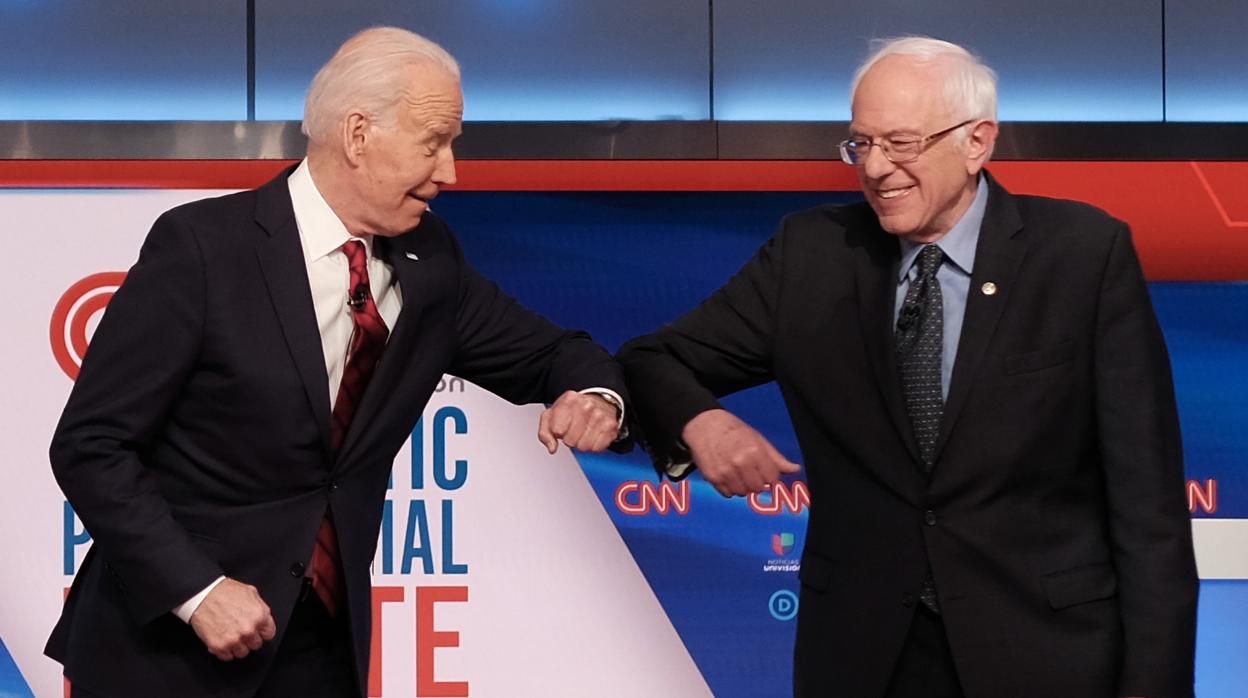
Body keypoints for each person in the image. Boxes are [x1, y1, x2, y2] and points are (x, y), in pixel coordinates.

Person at [47, 27, 626, 698]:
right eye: (434, 142)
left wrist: (595, 396)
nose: (451, 172)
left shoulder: (430, 262)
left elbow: (555, 353)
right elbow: (92, 445)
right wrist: (197, 590)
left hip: (319, 648)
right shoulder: (205, 250)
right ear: (358, 135)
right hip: (164, 651)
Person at [618, 36, 1197, 698]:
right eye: (860, 144)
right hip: (866, 659)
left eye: (901, 144)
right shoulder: (812, 254)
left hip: (1047, 657)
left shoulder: (1082, 256)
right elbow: (651, 357)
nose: (876, 169)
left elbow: (1148, 511)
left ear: (977, 142)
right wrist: (702, 421)